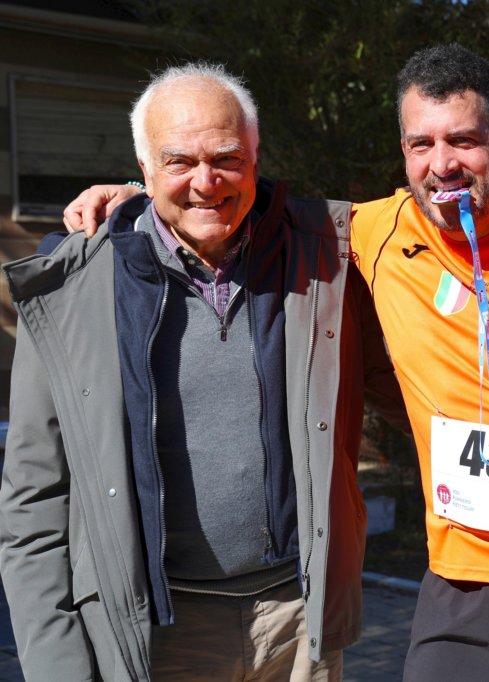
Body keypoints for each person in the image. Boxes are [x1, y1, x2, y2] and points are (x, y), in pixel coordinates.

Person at [61, 45, 489, 681]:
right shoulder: (375, 232)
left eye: (463, 141)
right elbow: (231, 202)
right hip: (456, 579)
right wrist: (136, 195)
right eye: (421, 144)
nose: (442, 165)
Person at [1, 63, 403, 681]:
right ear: (144, 170)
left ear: (255, 158)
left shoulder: (323, 257)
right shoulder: (73, 290)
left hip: (298, 625)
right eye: (179, 162)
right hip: (160, 633)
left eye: (226, 159)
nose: (205, 182)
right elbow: (34, 502)